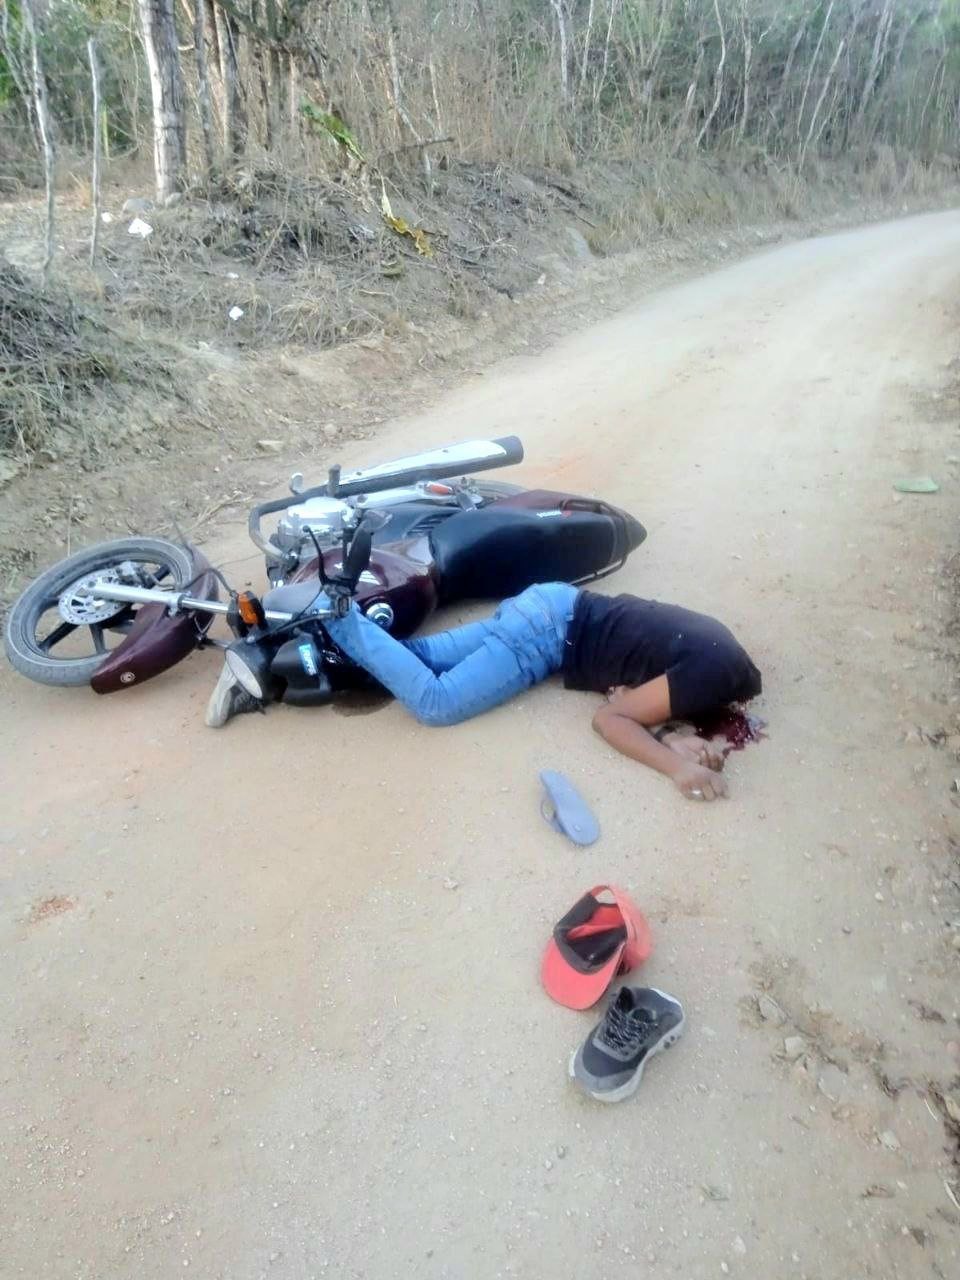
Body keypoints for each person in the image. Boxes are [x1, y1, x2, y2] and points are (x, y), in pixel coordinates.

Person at [207, 582, 761, 801]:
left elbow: (629, 694)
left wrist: (667, 728)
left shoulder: (716, 657)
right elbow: (612, 719)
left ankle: (275, 650)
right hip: (547, 634)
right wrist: (675, 766)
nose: (706, 742)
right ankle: (338, 614)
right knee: (435, 702)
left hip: (548, 605)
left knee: (412, 660)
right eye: (702, 731)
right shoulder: (709, 676)